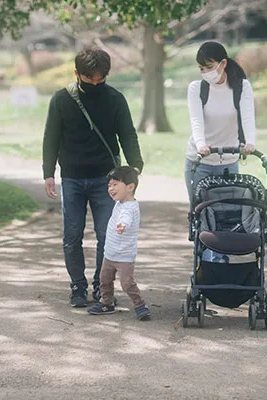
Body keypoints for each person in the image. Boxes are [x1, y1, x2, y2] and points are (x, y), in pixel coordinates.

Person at [42, 48, 144, 308]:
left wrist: (135, 164)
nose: (97, 83)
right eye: (91, 79)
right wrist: (48, 173)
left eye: (102, 79)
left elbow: (128, 134)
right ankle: (78, 286)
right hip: (73, 178)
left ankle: (102, 286)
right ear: (77, 74)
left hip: (105, 179)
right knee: (72, 235)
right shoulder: (61, 99)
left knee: (106, 235)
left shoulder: (115, 99)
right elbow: (51, 137)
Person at [184, 41, 257, 262]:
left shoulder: (242, 87)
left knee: (227, 217)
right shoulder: (197, 88)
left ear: (223, 63)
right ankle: (206, 266)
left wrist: (249, 142)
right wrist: (201, 145)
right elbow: (196, 120)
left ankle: (223, 263)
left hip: (228, 162)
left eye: (209, 66)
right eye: (201, 68)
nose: (205, 72)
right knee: (202, 218)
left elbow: (247, 117)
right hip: (199, 163)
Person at [87, 166, 150, 320]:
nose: (110, 188)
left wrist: (123, 225)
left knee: (127, 283)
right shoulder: (120, 202)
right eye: (109, 185)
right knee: (104, 280)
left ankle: (140, 304)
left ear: (130, 187)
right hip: (110, 253)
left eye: (115, 184)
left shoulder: (130, 207)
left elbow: (126, 218)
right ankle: (106, 303)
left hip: (124, 256)